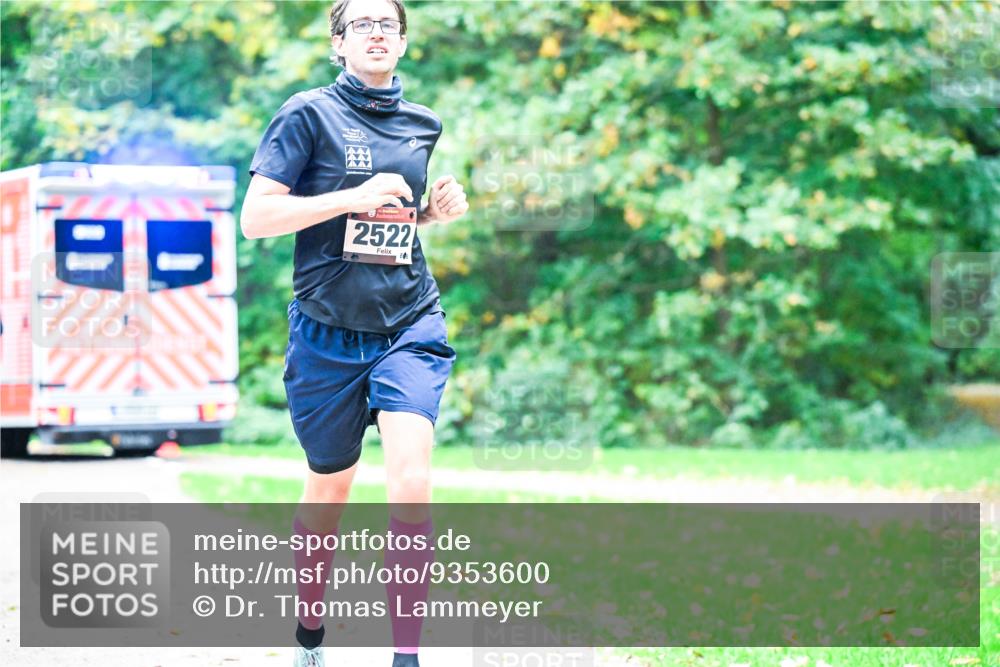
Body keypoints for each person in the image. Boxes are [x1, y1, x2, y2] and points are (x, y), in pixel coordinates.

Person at [241, 0, 469, 665]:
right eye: (361, 25)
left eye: (388, 25)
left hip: (407, 320)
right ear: (337, 44)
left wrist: (429, 213)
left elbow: (390, 228)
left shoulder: (423, 124)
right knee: (328, 493)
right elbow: (256, 218)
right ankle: (309, 636)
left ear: (403, 43)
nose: (376, 33)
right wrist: (349, 195)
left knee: (411, 479)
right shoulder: (305, 114)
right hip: (325, 333)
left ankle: (407, 655)